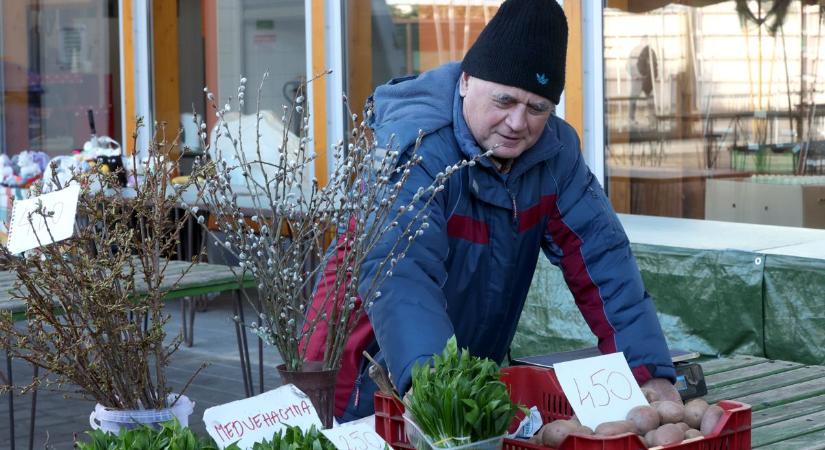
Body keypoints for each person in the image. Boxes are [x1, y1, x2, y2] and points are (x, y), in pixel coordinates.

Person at [307, 0, 679, 422]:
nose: (518, 122)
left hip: (461, 376)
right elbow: (402, 277)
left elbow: (603, 259)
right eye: (505, 100)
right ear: (466, 81)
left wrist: (648, 372)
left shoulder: (554, 158)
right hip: (366, 373)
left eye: (538, 108)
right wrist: (437, 391)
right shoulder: (415, 151)